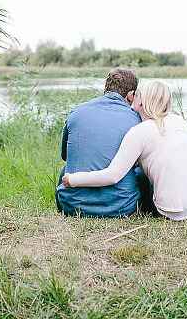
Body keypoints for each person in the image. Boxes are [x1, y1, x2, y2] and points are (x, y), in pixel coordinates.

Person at [63, 80, 187, 220]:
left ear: (141, 101)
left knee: (136, 174)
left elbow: (112, 176)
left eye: (138, 94)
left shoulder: (139, 132)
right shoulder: (180, 121)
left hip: (179, 210)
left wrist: (72, 179)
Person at [55, 68, 153, 217]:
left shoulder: (77, 112)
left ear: (106, 88)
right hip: (120, 207)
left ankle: (72, 199)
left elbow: (65, 156)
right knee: (142, 170)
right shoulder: (136, 119)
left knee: (66, 169)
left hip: (71, 206)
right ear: (131, 95)